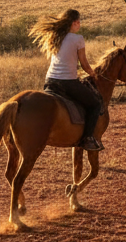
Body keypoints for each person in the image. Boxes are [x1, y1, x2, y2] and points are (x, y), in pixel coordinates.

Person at [29, 8, 105, 152]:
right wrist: (92, 73)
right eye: (79, 22)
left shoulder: (55, 36)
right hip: (67, 82)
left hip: (50, 81)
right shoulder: (78, 39)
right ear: (75, 22)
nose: (80, 25)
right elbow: (84, 63)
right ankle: (88, 138)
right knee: (95, 104)